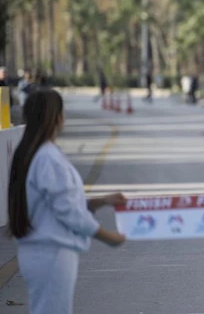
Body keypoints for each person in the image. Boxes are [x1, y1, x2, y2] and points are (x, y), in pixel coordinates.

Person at [8, 89, 127, 314]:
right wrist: (108, 237)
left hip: (40, 252)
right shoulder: (48, 158)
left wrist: (102, 201)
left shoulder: (32, 153)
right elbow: (69, 212)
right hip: (51, 255)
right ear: (57, 117)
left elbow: (58, 202)